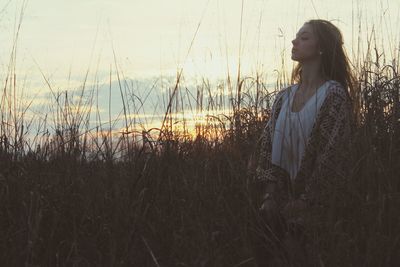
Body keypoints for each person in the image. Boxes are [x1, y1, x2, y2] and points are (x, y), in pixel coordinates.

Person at [251, 19, 357, 266]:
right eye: (296, 36)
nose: (294, 41)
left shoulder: (333, 94)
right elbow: (266, 146)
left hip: (313, 208)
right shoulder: (284, 97)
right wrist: (269, 194)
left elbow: (333, 155)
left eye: (304, 37)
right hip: (274, 203)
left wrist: (305, 202)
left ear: (321, 48)